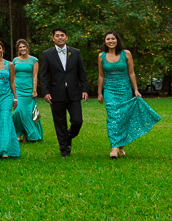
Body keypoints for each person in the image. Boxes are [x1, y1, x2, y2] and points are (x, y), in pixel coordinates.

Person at [96, 31, 160, 159]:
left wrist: (136, 90)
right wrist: (99, 92)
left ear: (117, 40)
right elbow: (101, 76)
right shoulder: (101, 56)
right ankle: (114, 147)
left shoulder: (126, 54)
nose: (110, 41)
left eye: (113, 38)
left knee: (123, 117)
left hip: (124, 89)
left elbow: (131, 73)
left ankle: (121, 147)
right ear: (105, 42)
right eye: (108, 39)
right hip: (109, 90)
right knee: (113, 117)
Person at [39, 28, 88, 158]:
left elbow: (81, 73)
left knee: (77, 121)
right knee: (60, 123)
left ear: (66, 37)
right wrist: (45, 92)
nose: (60, 38)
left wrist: (85, 89)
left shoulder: (75, 53)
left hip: (73, 93)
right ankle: (64, 150)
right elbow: (43, 75)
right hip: (56, 93)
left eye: (62, 35)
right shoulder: (47, 54)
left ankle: (67, 137)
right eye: (57, 36)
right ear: (53, 38)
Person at [12, 39, 43, 143]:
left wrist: (34, 90)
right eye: (20, 47)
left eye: (24, 47)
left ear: (27, 48)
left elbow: (35, 76)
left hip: (29, 89)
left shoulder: (34, 60)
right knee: (17, 111)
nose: (22, 49)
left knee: (28, 113)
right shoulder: (15, 60)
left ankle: (29, 134)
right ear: (18, 49)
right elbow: (13, 76)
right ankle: (17, 133)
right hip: (18, 89)